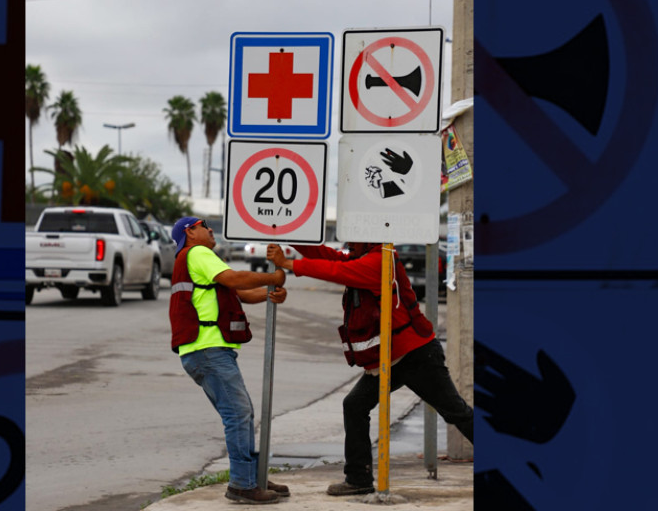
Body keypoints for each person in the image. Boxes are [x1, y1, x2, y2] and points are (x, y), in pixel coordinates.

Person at [267, 242, 473, 496]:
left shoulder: (379, 261)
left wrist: (288, 263)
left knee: (455, 412)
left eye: (354, 238)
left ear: (368, 238)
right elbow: (332, 257)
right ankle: (358, 479)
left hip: (416, 354)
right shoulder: (365, 257)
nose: (348, 244)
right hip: (391, 357)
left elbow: (334, 270)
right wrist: (297, 239)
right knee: (354, 405)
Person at [168, 216, 291, 505]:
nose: (211, 230)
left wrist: (271, 294)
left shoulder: (197, 259)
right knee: (238, 413)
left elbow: (239, 293)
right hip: (207, 350)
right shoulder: (197, 253)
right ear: (190, 233)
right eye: (203, 226)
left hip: (208, 351)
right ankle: (242, 484)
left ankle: (252, 478)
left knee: (241, 413)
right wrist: (272, 278)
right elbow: (234, 279)